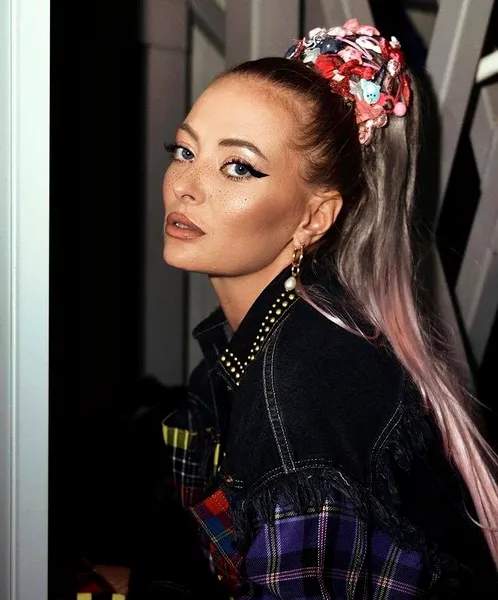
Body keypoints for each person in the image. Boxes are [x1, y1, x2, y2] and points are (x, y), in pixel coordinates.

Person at [128, 20, 498, 599]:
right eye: (185, 150)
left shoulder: (302, 388)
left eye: (238, 166)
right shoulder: (269, 336)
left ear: (314, 217)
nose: (186, 186)